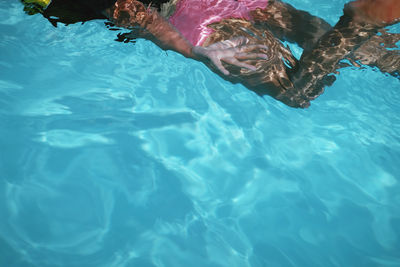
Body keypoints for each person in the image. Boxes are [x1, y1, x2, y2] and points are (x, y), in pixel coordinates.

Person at [21, 0, 400, 108]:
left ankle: (359, 26)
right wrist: (196, 51)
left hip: (210, 13)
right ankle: (359, 27)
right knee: (294, 89)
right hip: (206, 15)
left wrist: (195, 49)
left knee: (296, 89)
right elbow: (139, 16)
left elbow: (136, 15)